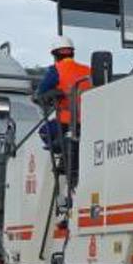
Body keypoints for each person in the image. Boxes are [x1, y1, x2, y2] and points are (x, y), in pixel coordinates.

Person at [35, 40, 94, 171]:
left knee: (45, 132)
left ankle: (63, 152)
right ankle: (67, 153)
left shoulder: (56, 70)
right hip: (89, 120)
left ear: (55, 56)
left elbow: (41, 92)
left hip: (66, 121)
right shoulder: (88, 70)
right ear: (72, 53)